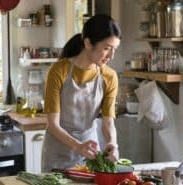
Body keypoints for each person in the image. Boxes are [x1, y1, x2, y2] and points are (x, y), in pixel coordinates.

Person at [41, 14, 122, 172]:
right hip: (57, 156)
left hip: (90, 155)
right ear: (88, 43)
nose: (111, 56)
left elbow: (108, 123)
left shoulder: (109, 77)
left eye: (114, 49)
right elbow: (52, 125)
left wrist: (113, 143)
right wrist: (77, 146)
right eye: (106, 48)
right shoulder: (59, 71)